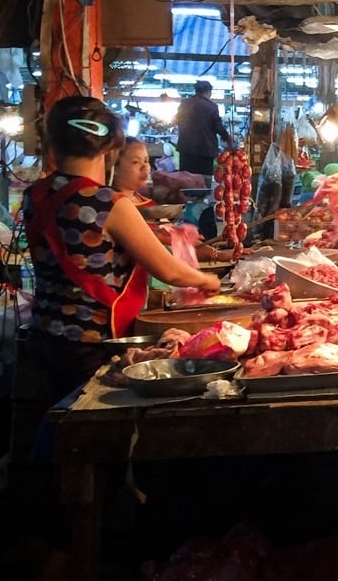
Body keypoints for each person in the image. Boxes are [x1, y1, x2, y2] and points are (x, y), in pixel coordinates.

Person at [23, 97, 221, 401]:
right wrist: (207, 280)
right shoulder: (108, 202)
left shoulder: (34, 195)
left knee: (56, 418)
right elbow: (169, 271)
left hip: (43, 335)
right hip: (91, 342)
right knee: (87, 421)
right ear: (109, 147)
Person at [112, 137, 231, 263]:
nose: (145, 167)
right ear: (114, 166)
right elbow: (156, 247)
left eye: (146, 161)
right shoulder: (112, 205)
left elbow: (171, 243)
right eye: (136, 162)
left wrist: (218, 254)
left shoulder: (146, 202)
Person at [174, 80, 231, 176]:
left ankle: (186, 192)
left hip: (186, 150)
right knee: (203, 182)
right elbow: (218, 127)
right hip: (205, 151)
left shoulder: (184, 104)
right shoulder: (212, 107)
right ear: (208, 92)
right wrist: (227, 137)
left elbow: (177, 120)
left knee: (186, 180)